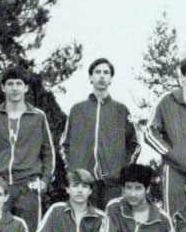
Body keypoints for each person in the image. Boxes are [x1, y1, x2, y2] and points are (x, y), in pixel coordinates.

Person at [0, 66, 56, 232]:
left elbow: (48, 151)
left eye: (19, 83)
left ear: (26, 88)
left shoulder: (37, 116)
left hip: (27, 185)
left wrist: (45, 180)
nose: (14, 88)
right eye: (10, 84)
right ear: (3, 87)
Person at [60, 57, 141, 208]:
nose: (102, 76)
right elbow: (64, 144)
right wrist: (72, 171)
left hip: (113, 183)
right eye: (97, 72)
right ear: (91, 77)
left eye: (106, 72)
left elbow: (134, 144)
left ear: (111, 78)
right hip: (83, 183)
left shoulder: (121, 110)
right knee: (85, 223)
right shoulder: (77, 110)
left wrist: (122, 170)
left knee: (111, 222)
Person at [141, 55, 186, 216]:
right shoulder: (168, 101)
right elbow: (149, 133)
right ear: (182, 77)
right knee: (174, 217)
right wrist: (173, 154)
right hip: (175, 171)